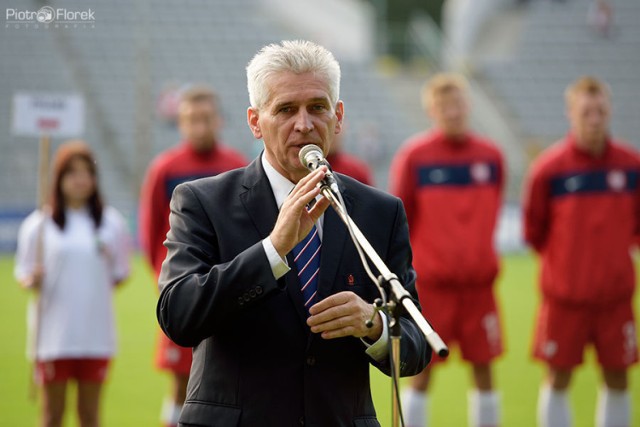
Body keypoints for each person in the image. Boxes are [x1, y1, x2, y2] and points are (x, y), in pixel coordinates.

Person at [156, 39, 431, 426]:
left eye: (317, 107)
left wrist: (374, 324)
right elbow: (179, 316)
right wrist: (273, 250)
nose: (304, 124)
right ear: (255, 121)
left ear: (337, 116)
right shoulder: (203, 202)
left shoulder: (379, 212)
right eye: (286, 109)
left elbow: (417, 346)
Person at [523, 76, 639, 427]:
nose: (594, 117)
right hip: (565, 300)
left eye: (600, 110)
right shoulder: (548, 169)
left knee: (618, 378)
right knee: (558, 378)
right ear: (571, 113)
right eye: (586, 111)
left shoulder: (631, 166)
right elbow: (534, 232)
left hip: (615, 300)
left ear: (610, 111)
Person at [390, 73, 505, 427]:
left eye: (458, 104)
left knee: (484, 368)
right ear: (431, 110)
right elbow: (400, 217)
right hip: (433, 287)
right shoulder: (415, 156)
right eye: (444, 106)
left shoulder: (491, 157)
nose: (453, 113)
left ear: (468, 106)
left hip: (479, 287)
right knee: (422, 369)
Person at [138, 85, 248, 427]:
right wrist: (170, 281)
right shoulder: (165, 168)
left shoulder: (236, 166)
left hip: (230, 292)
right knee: (180, 383)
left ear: (219, 121)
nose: (199, 126)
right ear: (181, 124)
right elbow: (152, 231)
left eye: (206, 119)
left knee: (233, 380)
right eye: (191, 120)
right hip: (186, 292)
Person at [14, 141, 131, 427]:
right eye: (71, 173)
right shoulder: (38, 226)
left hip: (96, 337)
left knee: (89, 416)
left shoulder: (110, 223)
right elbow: (24, 274)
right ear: (58, 178)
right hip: (53, 339)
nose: (80, 180)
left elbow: (120, 274)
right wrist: (33, 279)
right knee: (51, 416)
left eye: (86, 173)